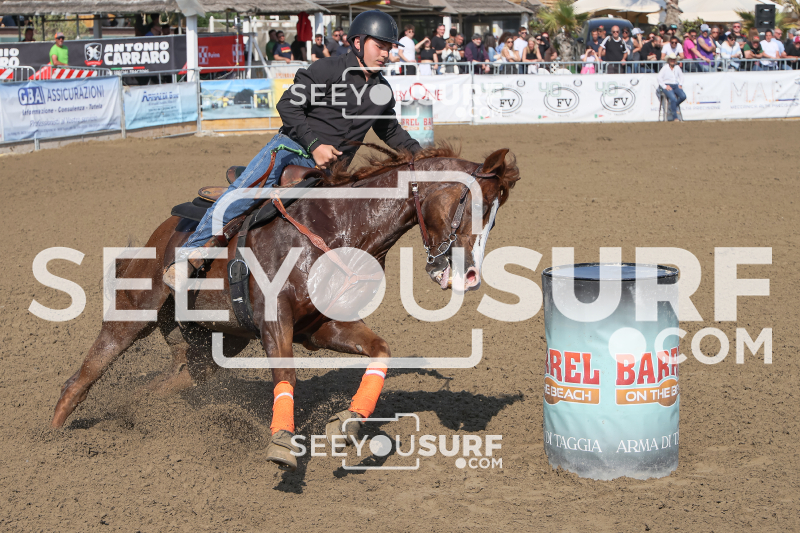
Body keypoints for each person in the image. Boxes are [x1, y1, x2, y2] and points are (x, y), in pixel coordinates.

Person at [162, 10, 422, 289]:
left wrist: (426, 158)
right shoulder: (327, 69)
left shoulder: (382, 91)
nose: (385, 53)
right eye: (379, 45)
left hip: (332, 173)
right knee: (242, 195)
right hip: (289, 151)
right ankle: (186, 259)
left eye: (389, 48)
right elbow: (287, 105)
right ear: (358, 43)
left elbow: (391, 132)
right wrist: (314, 145)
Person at [658, 54, 685, 121]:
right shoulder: (665, 67)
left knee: (683, 96)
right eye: (671, 59)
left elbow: (681, 76)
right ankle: (675, 117)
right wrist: (664, 86)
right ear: (669, 60)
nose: (672, 61)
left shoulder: (677, 67)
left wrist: (680, 84)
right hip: (667, 85)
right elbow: (659, 77)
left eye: (673, 59)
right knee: (673, 98)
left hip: (676, 85)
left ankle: (674, 107)